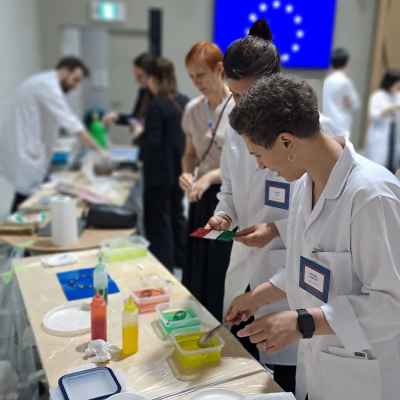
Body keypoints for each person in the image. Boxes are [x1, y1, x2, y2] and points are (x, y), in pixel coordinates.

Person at [226, 73, 400, 400]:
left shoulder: (372, 196)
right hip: (320, 366)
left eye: (258, 154)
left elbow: (392, 304)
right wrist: (258, 297)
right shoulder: (304, 186)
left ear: (287, 142)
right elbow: (309, 267)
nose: (261, 166)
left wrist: (302, 323)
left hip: (363, 378)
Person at [205, 19, 346, 393]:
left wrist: (274, 230)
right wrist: (224, 215)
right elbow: (231, 189)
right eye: (235, 97)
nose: (242, 107)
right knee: (243, 368)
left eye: (249, 96)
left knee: (285, 374)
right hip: (252, 271)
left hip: (294, 273)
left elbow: (323, 216)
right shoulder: (238, 129)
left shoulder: (313, 133)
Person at [0, 57, 108, 214]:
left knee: (31, 197)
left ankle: (21, 224)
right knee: (24, 199)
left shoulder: (45, 84)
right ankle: (13, 228)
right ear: (64, 71)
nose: (76, 86)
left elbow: (57, 119)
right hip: (25, 150)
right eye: (75, 79)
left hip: (31, 148)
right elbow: (71, 122)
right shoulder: (47, 86)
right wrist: (99, 150)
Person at [179, 42, 234, 320]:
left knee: (220, 262)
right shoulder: (192, 109)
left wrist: (211, 176)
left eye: (200, 74)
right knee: (198, 260)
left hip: (227, 200)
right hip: (200, 197)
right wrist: (187, 173)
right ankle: (196, 319)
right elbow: (190, 154)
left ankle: (220, 322)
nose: (196, 82)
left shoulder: (238, 107)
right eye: (191, 76)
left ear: (219, 69)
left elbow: (244, 165)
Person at [140, 57, 189, 272]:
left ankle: (163, 265)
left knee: (159, 221)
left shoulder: (156, 106)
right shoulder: (183, 101)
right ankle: (181, 259)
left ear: (152, 79)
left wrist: (139, 138)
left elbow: (153, 143)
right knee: (177, 215)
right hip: (180, 170)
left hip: (159, 175)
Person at [103, 53, 154, 133]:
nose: (136, 80)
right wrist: (117, 117)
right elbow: (136, 118)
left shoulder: (164, 97)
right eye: (136, 76)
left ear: (152, 76)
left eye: (140, 76)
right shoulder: (143, 90)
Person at [364, 69, 400, 172]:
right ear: (390, 82)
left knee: (392, 160)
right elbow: (373, 116)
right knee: (379, 163)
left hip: (394, 130)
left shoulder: (398, 96)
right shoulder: (377, 96)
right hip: (380, 133)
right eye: (397, 83)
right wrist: (389, 108)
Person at [322, 48, 360, 139]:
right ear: (347, 63)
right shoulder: (345, 81)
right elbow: (354, 103)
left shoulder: (327, 80)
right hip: (341, 123)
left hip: (327, 120)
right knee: (342, 146)